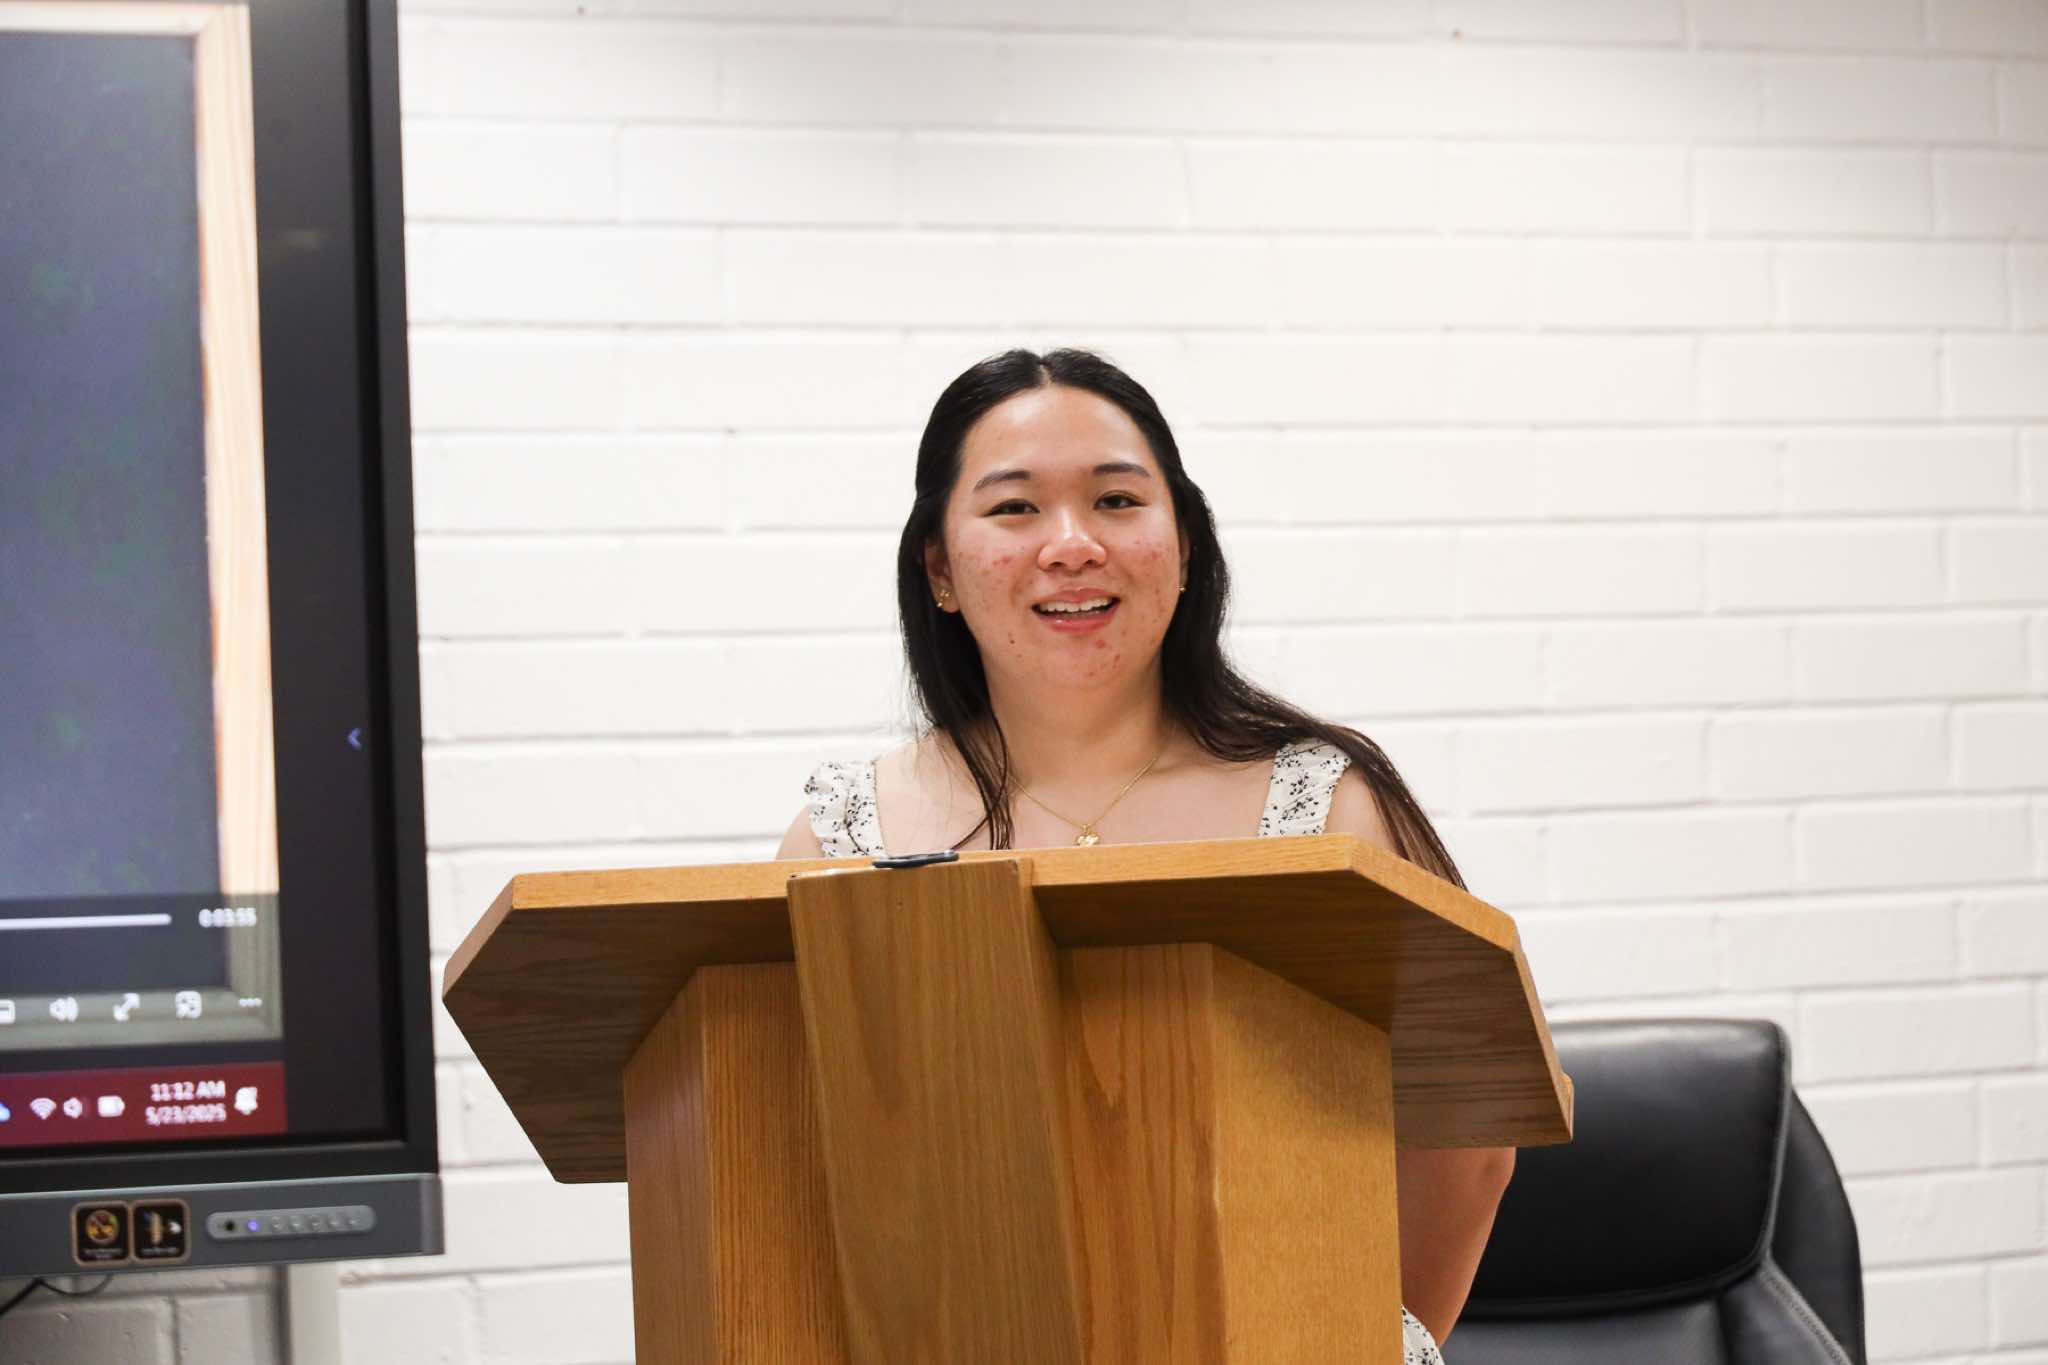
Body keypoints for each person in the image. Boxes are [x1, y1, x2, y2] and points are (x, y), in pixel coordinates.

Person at [777, 347, 1515, 1362]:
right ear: (940, 568)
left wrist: (1349, 1338)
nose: (1072, 544)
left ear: (1183, 543)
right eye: (1014, 508)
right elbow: (779, 1161)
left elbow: (1464, 1132)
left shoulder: (1326, 807)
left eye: (1116, 500)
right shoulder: (844, 833)